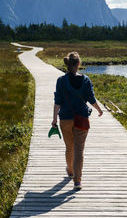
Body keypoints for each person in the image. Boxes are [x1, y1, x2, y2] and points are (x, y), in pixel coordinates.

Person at [52, 52, 103, 190]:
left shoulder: (61, 81)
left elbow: (58, 102)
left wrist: (54, 119)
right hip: (82, 118)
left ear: (67, 65)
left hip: (66, 119)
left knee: (69, 147)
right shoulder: (86, 80)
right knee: (79, 150)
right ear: (78, 64)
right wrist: (99, 110)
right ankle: (77, 181)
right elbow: (91, 99)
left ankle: (70, 170)